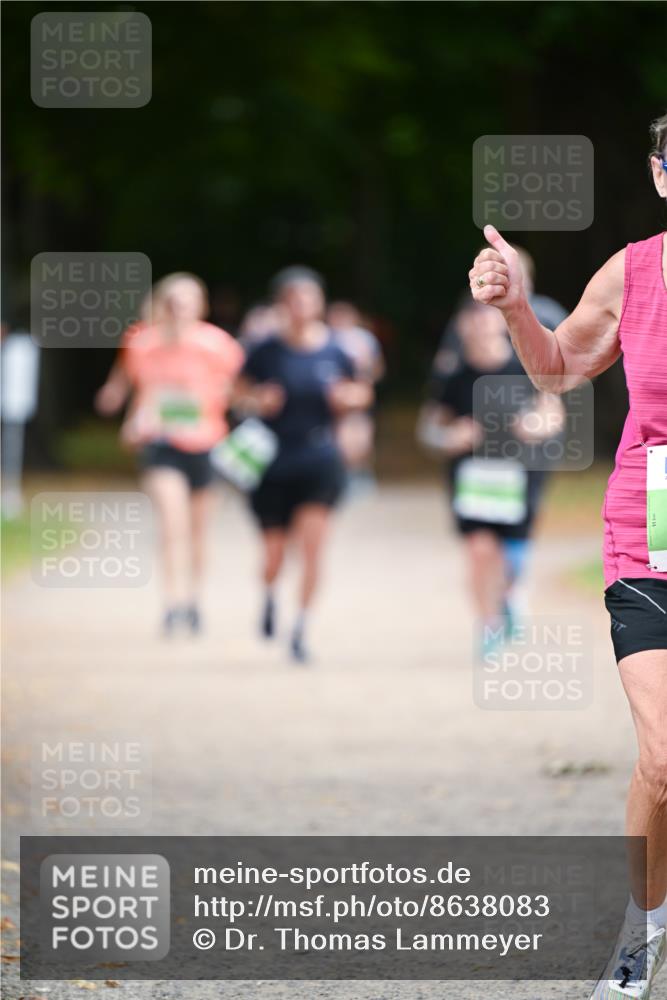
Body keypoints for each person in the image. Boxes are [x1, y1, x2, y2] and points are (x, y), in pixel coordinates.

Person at [469, 113, 667, 999]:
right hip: (650, 529)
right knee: (663, 762)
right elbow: (555, 370)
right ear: (660, 174)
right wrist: (514, 305)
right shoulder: (633, 271)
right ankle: (643, 929)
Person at [233, 267, 372, 663]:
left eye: (308, 298)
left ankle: (301, 628)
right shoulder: (264, 351)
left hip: (319, 459)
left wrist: (349, 399)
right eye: (293, 300)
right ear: (281, 305)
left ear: (320, 303)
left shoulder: (337, 351)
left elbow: (362, 391)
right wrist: (258, 400)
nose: (301, 307)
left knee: (313, 549)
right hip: (272, 461)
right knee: (275, 552)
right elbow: (236, 393)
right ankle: (270, 595)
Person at [95, 272, 244, 635]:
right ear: (162, 304)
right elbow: (132, 389)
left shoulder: (219, 345)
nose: (179, 307)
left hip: (206, 442)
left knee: (197, 532)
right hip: (161, 443)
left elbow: (239, 393)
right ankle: (171, 603)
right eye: (172, 300)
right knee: (170, 525)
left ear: (201, 306)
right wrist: (127, 417)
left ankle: (194, 600)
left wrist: (231, 396)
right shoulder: (141, 342)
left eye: (187, 300)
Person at [418, 299, 564, 656]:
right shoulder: (451, 377)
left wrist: (534, 426)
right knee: (479, 550)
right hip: (472, 477)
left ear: (500, 325)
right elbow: (430, 427)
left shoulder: (525, 366)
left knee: (512, 558)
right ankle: (488, 625)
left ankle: (511, 595)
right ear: (462, 329)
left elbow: (553, 413)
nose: (480, 330)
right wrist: (450, 436)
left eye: (487, 322)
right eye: (473, 323)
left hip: (520, 475)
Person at [327, 301, 385, 491]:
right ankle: (341, 474)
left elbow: (377, 366)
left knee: (363, 433)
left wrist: (365, 383)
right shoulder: (328, 338)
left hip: (360, 393)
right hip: (337, 395)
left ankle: (362, 474)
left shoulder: (364, 339)